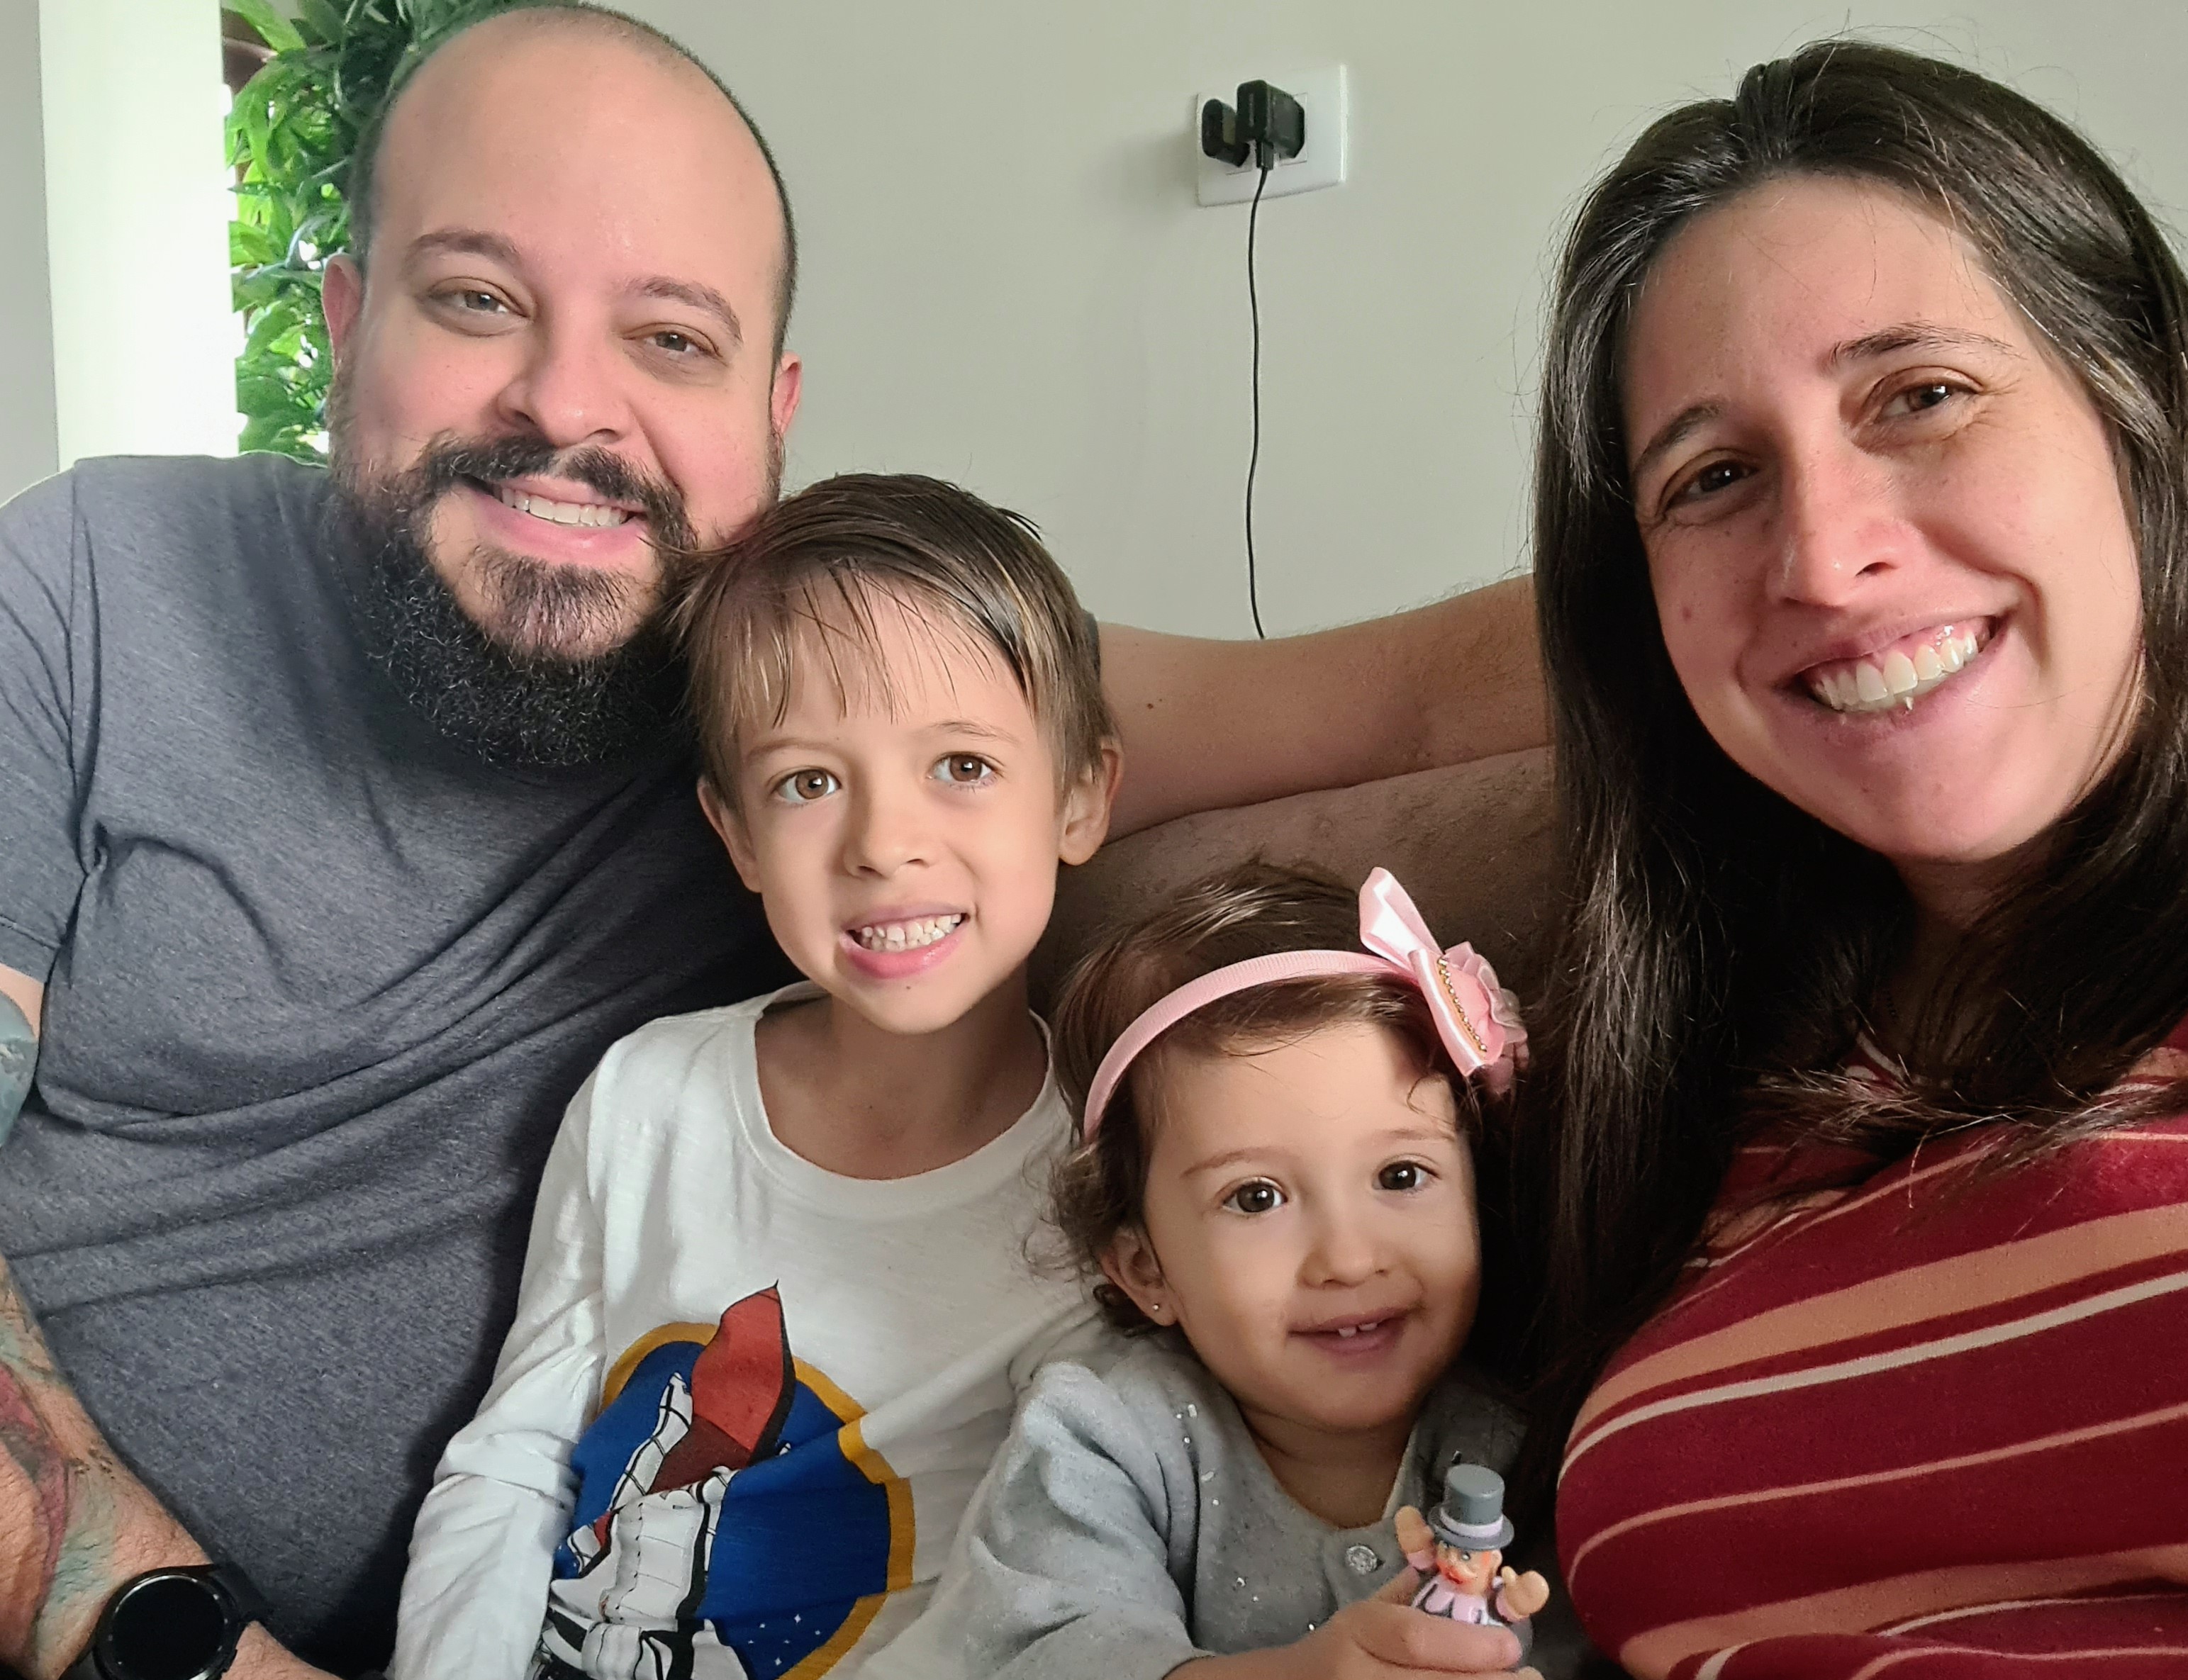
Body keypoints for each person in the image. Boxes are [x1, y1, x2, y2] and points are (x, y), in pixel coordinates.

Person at [0, 6, 1547, 1676]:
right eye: (475, 298)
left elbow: (1395, 698)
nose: (567, 405)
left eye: (671, 338)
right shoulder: (92, 584)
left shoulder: (852, 691)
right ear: (347, 318)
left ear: (773, 410)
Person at [1502, 39, 2188, 1679]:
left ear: (2140, 411)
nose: (1827, 556)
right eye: (1712, 477)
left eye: (1918, 396)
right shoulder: (1679, 1097)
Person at [393, 471, 1120, 1676]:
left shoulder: (1107, 1184)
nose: (885, 844)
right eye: (808, 783)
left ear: (1082, 796)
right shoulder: (648, 1098)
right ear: (735, 834)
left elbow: (1045, 1590)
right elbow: (514, 1458)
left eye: (962, 766)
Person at [892, 862, 1573, 1680]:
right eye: (1255, 1197)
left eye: (1399, 1177)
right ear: (1146, 1268)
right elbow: (1047, 1653)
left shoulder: (1521, 1448)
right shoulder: (1103, 1436)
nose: (1348, 1259)